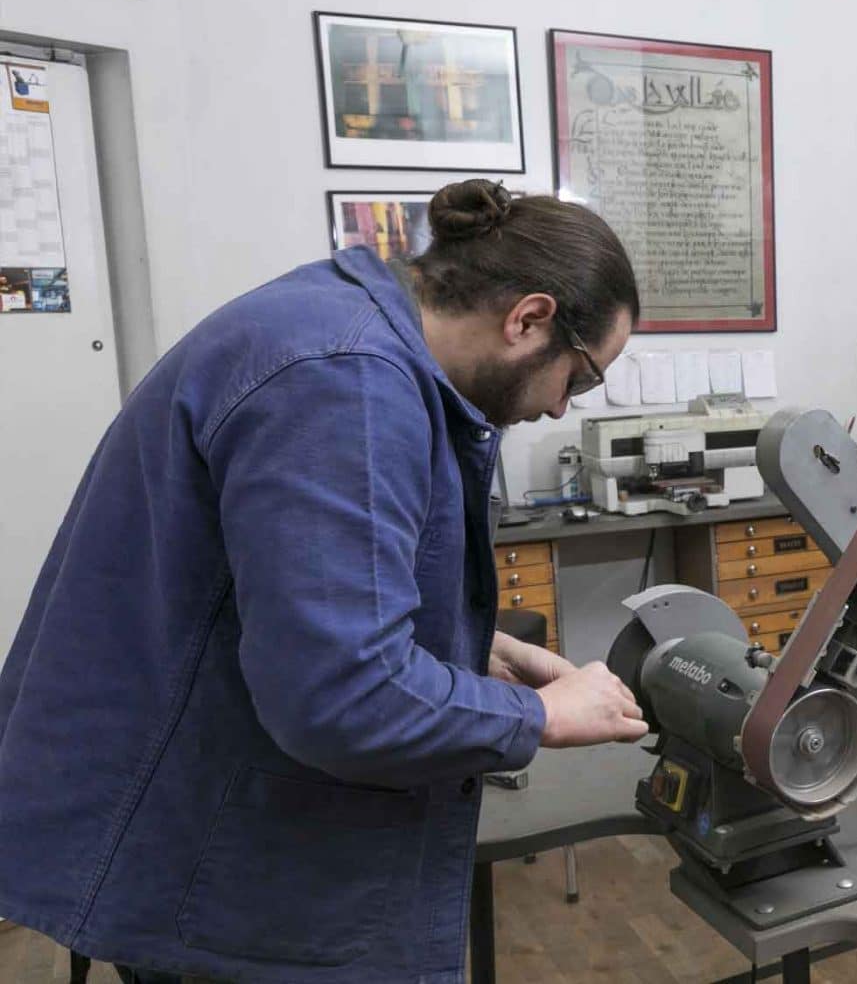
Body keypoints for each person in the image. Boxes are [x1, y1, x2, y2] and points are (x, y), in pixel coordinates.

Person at [0, 179, 650, 983]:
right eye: (580, 379)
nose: (561, 410)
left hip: (199, 813)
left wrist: (473, 656)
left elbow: (288, 604)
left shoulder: (339, 328)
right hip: (201, 853)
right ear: (528, 319)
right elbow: (342, 694)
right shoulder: (345, 384)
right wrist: (540, 713)